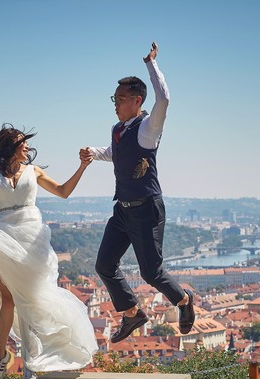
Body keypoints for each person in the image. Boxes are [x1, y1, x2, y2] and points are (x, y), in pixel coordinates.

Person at [0, 125, 98, 379]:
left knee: (27, 300)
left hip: (31, 239)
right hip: (1, 237)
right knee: (8, 298)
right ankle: (2, 356)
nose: (27, 147)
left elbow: (63, 191)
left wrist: (82, 167)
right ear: (10, 147)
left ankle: (31, 364)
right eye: (22, 142)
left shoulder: (34, 171)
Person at [80, 42, 195, 344]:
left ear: (137, 100)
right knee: (104, 264)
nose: (115, 104)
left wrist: (150, 63)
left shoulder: (148, 127)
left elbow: (165, 98)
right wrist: (94, 153)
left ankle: (183, 301)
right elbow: (116, 154)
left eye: (119, 98)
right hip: (123, 210)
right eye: (114, 99)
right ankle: (132, 313)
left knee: (151, 273)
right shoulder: (118, 129)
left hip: (146, 209)